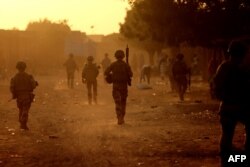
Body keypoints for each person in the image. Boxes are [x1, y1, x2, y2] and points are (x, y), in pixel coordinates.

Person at [213, 40, 250, 167]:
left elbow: (216, 88)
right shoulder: (245, 69)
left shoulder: (223, 67)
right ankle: (241, 159)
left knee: (227, 135)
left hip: (227, 107)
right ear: (243, 54)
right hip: (243, 107)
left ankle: (227, 160)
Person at [104, 50, 133, 125]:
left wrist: (111, 75)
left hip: (116, 86)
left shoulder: (113, 64)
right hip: (124, 86)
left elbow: (106, 72)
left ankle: (119, 118)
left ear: (115, 56)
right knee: (123, 102)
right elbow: (131, 74)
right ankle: (122, 118)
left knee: (117, 102)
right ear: (123, 56)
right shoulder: (126, 65)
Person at [10, 61, 38, 130]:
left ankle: (21, 123)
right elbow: (33, 86)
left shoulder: (14, 78)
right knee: (25, 110)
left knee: (21, 109)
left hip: (19, 96)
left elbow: (12, 88)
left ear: (17, 68)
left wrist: (14, 95)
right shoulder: (29, 76)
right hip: (27, 96)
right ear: (25, 68)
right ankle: (24, 124)